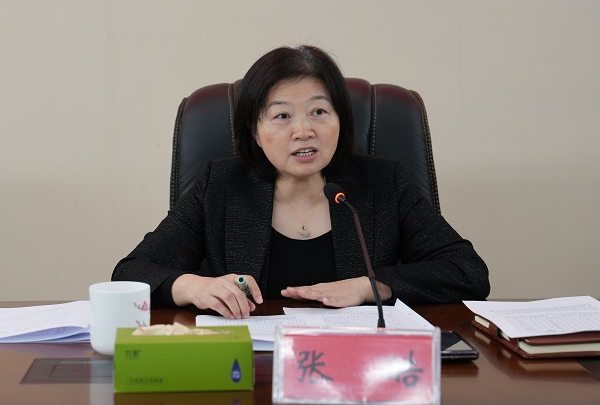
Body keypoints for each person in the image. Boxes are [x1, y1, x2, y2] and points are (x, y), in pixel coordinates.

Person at [112, 45, 490, 319]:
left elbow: (467, 271)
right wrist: (193, 286)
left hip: (357, 369)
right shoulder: (220, 187)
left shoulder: (383, 183)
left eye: (319, 111)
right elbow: (130, 272)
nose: (304, 130)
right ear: (255, 132)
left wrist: (370, 286)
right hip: (253, 370)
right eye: (282, 116)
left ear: (341, 122)